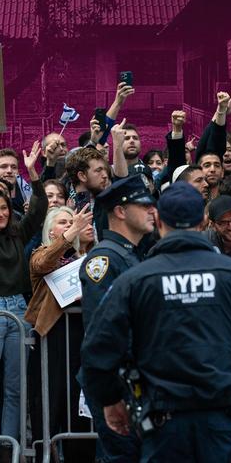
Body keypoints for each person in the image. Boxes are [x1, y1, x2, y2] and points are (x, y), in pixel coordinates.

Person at [81, 181, 231, 462]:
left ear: (160, 221)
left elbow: (98, 349)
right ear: (203, 220)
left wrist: (110, 399)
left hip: (166, 421)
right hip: (225, 414)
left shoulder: (135, 281)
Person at [79, 174, 156, 462]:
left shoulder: (131, 255)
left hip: (135, 380)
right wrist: (115, 393)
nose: (152, 210)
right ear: (121, 212)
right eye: (144, 205)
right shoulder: (106, 260)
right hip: (119, 383)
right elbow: (104, 336)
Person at [27, 205, 95, 462]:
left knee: (80, 403)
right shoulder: (40, 255)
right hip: (52, 341)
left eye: (72, 222)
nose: (69, 225)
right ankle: (47, 454)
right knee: (50, 402)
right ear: (50, 231)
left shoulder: (85, 260)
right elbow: (44, 263)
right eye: (63, 222)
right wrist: (72, 233)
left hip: (81, 338)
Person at [0, 141, 47, 444]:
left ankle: (8, 446)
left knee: (15, 388)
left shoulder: (17, 232)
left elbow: (40, 208)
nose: (0, 212)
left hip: (18, 311)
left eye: (3, 207)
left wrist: (32, 173)